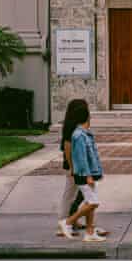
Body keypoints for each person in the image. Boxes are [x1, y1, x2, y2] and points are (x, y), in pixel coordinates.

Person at [66, 102, 106, 242]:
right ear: (86, 116)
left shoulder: (85, 134)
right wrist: (88, 175)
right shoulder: (79, 135)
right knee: (93, 203)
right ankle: (68, 222)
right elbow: (81, 158)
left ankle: (89, 232)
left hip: (90, 173)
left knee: (90, 203)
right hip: (83, 175)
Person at [56, 99, 85, 238]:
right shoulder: (70, 127)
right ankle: (63, 224)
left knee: (80, 194)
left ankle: (73, 220)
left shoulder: (77, 125)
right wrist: (72, 167)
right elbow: (67, 148)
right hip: (73, 167)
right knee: (69, 195)